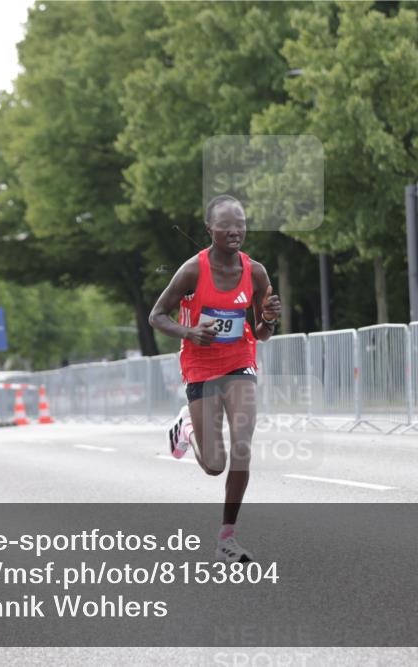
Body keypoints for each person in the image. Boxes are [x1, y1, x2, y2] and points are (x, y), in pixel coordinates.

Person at [148, 195, 282, 563]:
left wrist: (270, 318)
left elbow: (263, 331)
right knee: (214, 465)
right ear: (210, 229)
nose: (235, 230)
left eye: (240, 223)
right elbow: (156, 316)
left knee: (242, 449)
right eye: (225, 225)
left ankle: (227, 538)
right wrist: (189, 333)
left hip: (240, 362)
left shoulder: (256, 272)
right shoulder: (192, 269)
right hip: (201, 368)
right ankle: (186, 427)